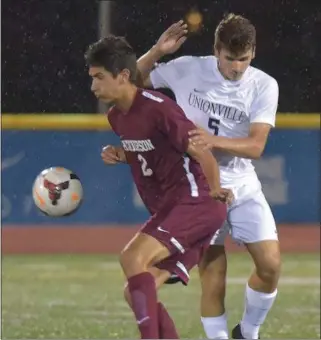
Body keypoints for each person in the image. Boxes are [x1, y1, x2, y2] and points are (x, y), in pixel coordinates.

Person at [136, 14, 281, 339]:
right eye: (230, 59)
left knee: (270, 266)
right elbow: (134, 81)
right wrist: (158, 51)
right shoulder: (188, 67)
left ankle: (247, 331)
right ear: (217, 50)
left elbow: (256, 146)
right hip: (198, 188)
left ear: (253, 53)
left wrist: (210, 140)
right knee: (213, 275)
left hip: (242, 185)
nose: (237, 67)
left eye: (243, 59)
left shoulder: (263, 85)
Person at [85, 35, 233, 339]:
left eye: (99, 77)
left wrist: (215, 189)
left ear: (123, 76)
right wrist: (123, 155)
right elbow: (152, 152)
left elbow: (201, 150)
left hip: (195, 202)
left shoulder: (159, 107)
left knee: (131, 258)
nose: (93, 86)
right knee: (137, 291)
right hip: (173, 208)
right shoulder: (116, 117)